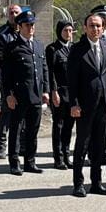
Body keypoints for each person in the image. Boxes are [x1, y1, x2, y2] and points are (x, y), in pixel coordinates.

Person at [67, 11, 106, 197]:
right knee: (82, 144)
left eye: (98, 26)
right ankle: (78, 183)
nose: (95, 29)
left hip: (103, 104)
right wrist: (74, 104)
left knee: (99, 145)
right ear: (85, 28)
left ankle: (96, 183)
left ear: (103, 28)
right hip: (85, 105)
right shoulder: (77, 49)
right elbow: (72, 80)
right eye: (92, 25)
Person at [1, 8, 49, 174]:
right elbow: (5, 75)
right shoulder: (12, 47)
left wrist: (46, 90)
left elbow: (44, 69)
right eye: (27, 25)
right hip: (20, 96)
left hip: (36, 95)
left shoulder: (38, 45)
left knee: (32, 130)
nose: (31, 28)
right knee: (15, 129)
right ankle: (14, 162)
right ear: (20, 26)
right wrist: (8, 95)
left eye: (32, 25)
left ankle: (30, 161)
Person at [0, 2, 22, 159]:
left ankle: (19, 144)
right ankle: (1, 145)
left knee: (22, 111)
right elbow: (1, 58)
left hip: (23, 79)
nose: (14, 15)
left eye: (17, 12)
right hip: (8, 78)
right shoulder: (0, 33)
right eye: (11, 12)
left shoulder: (25, 31)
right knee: (6, 111)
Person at [45, 19, 75, 169]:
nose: (68, 34)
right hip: (59, 92)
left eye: (70, 31)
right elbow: (50, 73)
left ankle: (66, 154)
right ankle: (58, 158)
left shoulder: (74, 49)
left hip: (72, 93)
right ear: (59, 31)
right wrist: (53, 91)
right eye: (65, 30)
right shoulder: (52, 49)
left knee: (69, 126)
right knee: (59, 125)